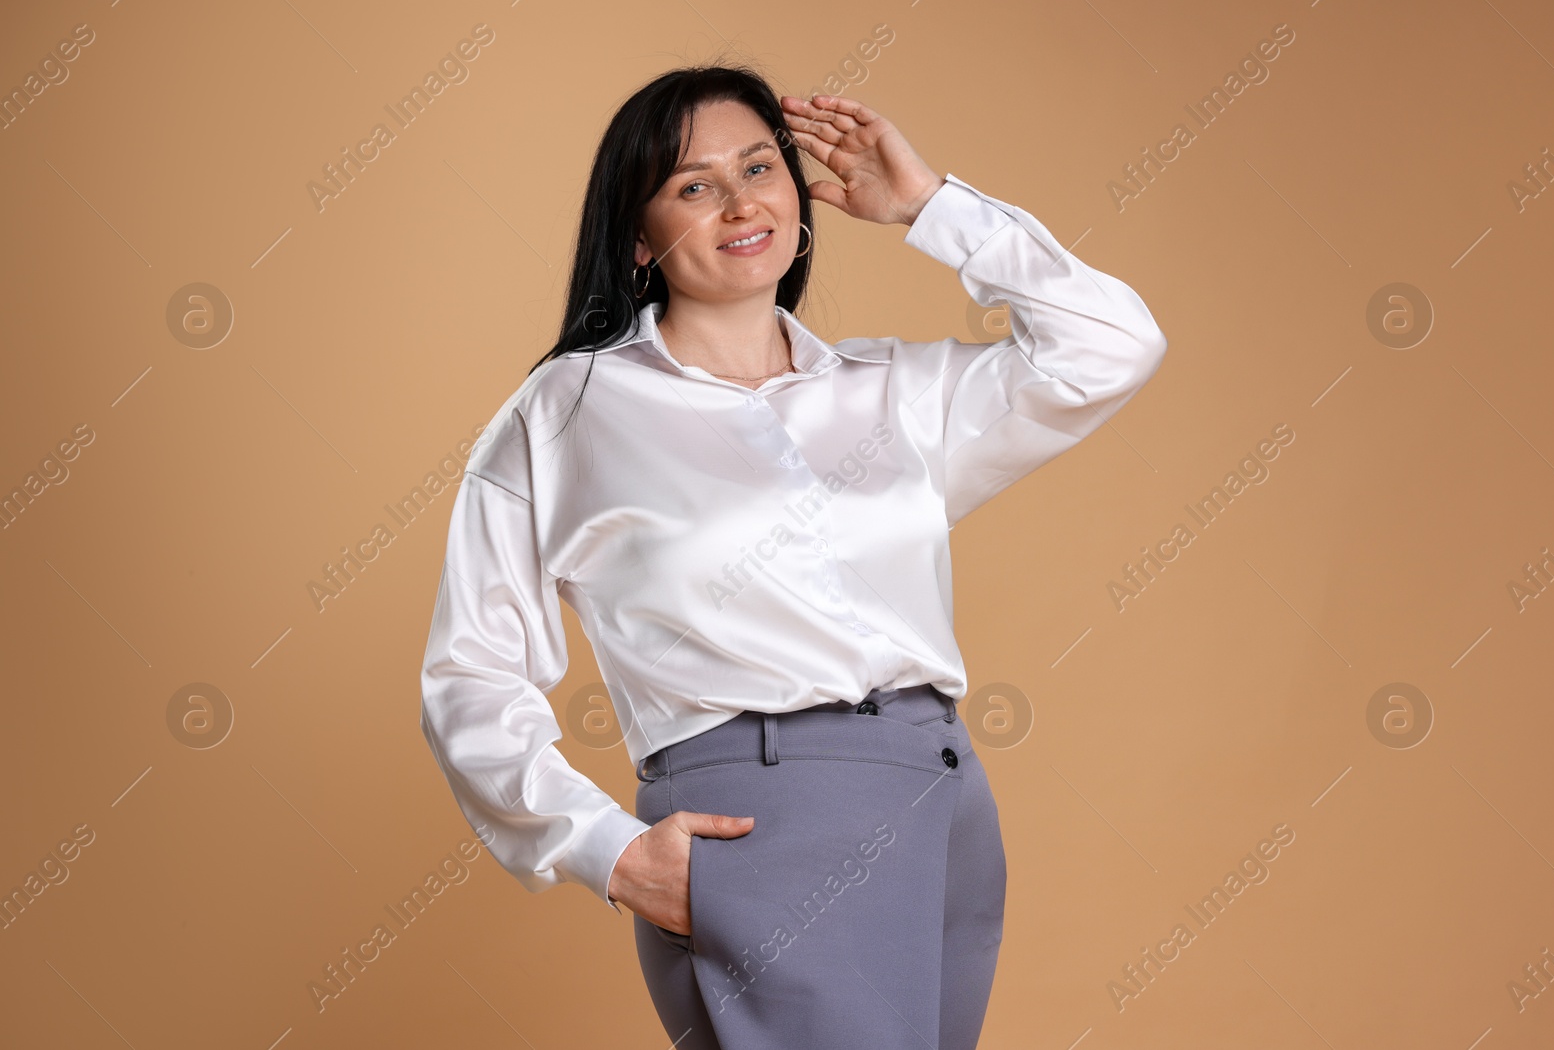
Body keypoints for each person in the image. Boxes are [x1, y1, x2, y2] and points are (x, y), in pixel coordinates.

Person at [418, 63, 1166, 1049]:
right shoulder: (569, 412)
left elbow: (1112, 344)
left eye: (759, 165)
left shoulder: (891, 390)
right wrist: (607, 850)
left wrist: (932, 207)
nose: (740, 201)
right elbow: (470, 671)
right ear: (637, 235)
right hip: (762, 812)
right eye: (694, 183)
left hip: (942, 796)